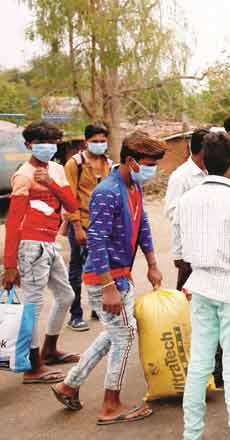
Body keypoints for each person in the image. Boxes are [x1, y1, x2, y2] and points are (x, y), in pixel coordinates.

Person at [51, 131, 165, 425]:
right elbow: (96, 240)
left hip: (121, 276)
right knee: (125, 336)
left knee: (113, 334)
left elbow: (144, 227)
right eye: (149, 163)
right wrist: (107, 287)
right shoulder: (107, 192)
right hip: (106, 280)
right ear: (131, 161)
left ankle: (70, 384)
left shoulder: (133, 187)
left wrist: (152, 263)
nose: (152, 169)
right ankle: (110, 405)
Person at [174, 132, 230, 440]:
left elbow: (181, 251)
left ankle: (192, 433)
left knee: (199, 364)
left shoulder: (187, 199)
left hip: (202, 287)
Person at [2, 121, 79, 384]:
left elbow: (72, 203)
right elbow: (13, 222)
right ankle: (32, 368)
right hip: (30, 245)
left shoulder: (56, 170)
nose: (48, 148)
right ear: (28, 146)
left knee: (66, 295)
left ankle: (49, 349)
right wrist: (10, 264)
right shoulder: (23, 175)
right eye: (41, 144)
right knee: (31, 307)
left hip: (50, 242)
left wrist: (51, 184)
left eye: (52, 144)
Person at [64, 124, 114, 331]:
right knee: (77, 269)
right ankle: (75, 314)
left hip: (103, 227)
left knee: (100, 267)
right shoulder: (74, 164)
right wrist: (76, 227)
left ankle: (97, 307)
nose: (99, 144)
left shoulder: (110, 165)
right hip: (81, 224)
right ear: (86, 142)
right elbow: (69, 198)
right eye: (95, 141)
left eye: (103, 141)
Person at [165, 128, 209, 291]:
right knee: (185, 292)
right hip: (187, 246)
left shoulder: (210, 172)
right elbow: (172, 211)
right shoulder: (181, 176)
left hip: (207, 245)